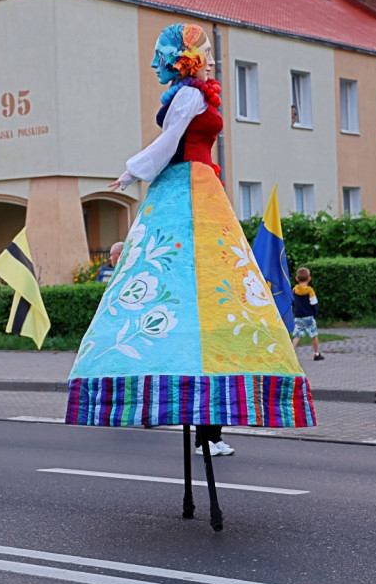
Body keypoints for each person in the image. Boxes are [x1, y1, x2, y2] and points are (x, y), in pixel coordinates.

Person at [66, 24, 315, 438]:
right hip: (191, 185)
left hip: (192, 185)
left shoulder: (189, 95)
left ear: (179, 62)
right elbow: (171, 142)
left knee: (193, 276)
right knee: (193, 277)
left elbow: (169, 143)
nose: (153, 64)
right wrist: (135, 172)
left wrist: (131, 172)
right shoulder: (190, 95)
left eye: (159, 57)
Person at [291, 267, 324, 361]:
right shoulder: (310, 291)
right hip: (309, 316)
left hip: (298, 316)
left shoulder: (294, 290)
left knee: (297, 336)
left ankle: (291, 353)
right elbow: (314, 304)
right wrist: (315, 314)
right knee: (314, 335)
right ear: (309, 278)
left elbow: (293, 302)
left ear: (297, 279)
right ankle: (316, 354)